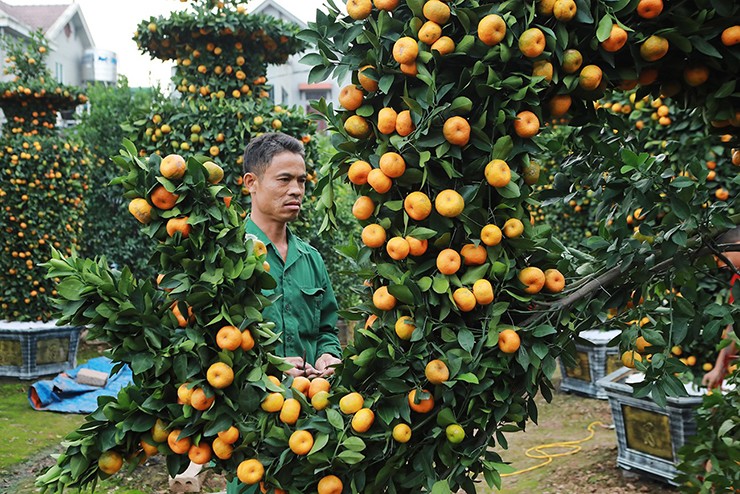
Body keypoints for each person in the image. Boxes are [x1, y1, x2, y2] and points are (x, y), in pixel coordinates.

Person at [242, 132, 342, 378]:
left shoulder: (311, 259)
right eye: (284, 179)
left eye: (301, 181)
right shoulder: (228, 255)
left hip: (308, 405)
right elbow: (212, 342)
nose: (296, 190)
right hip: (245, 409)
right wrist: (267, 366)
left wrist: (326, 355)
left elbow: (326, 331)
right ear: (251, 182)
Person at [702, 226, 740, 389]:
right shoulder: (737, 280)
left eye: (722, 257)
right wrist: (719, 368)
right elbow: (735, 325)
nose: (721, 265)